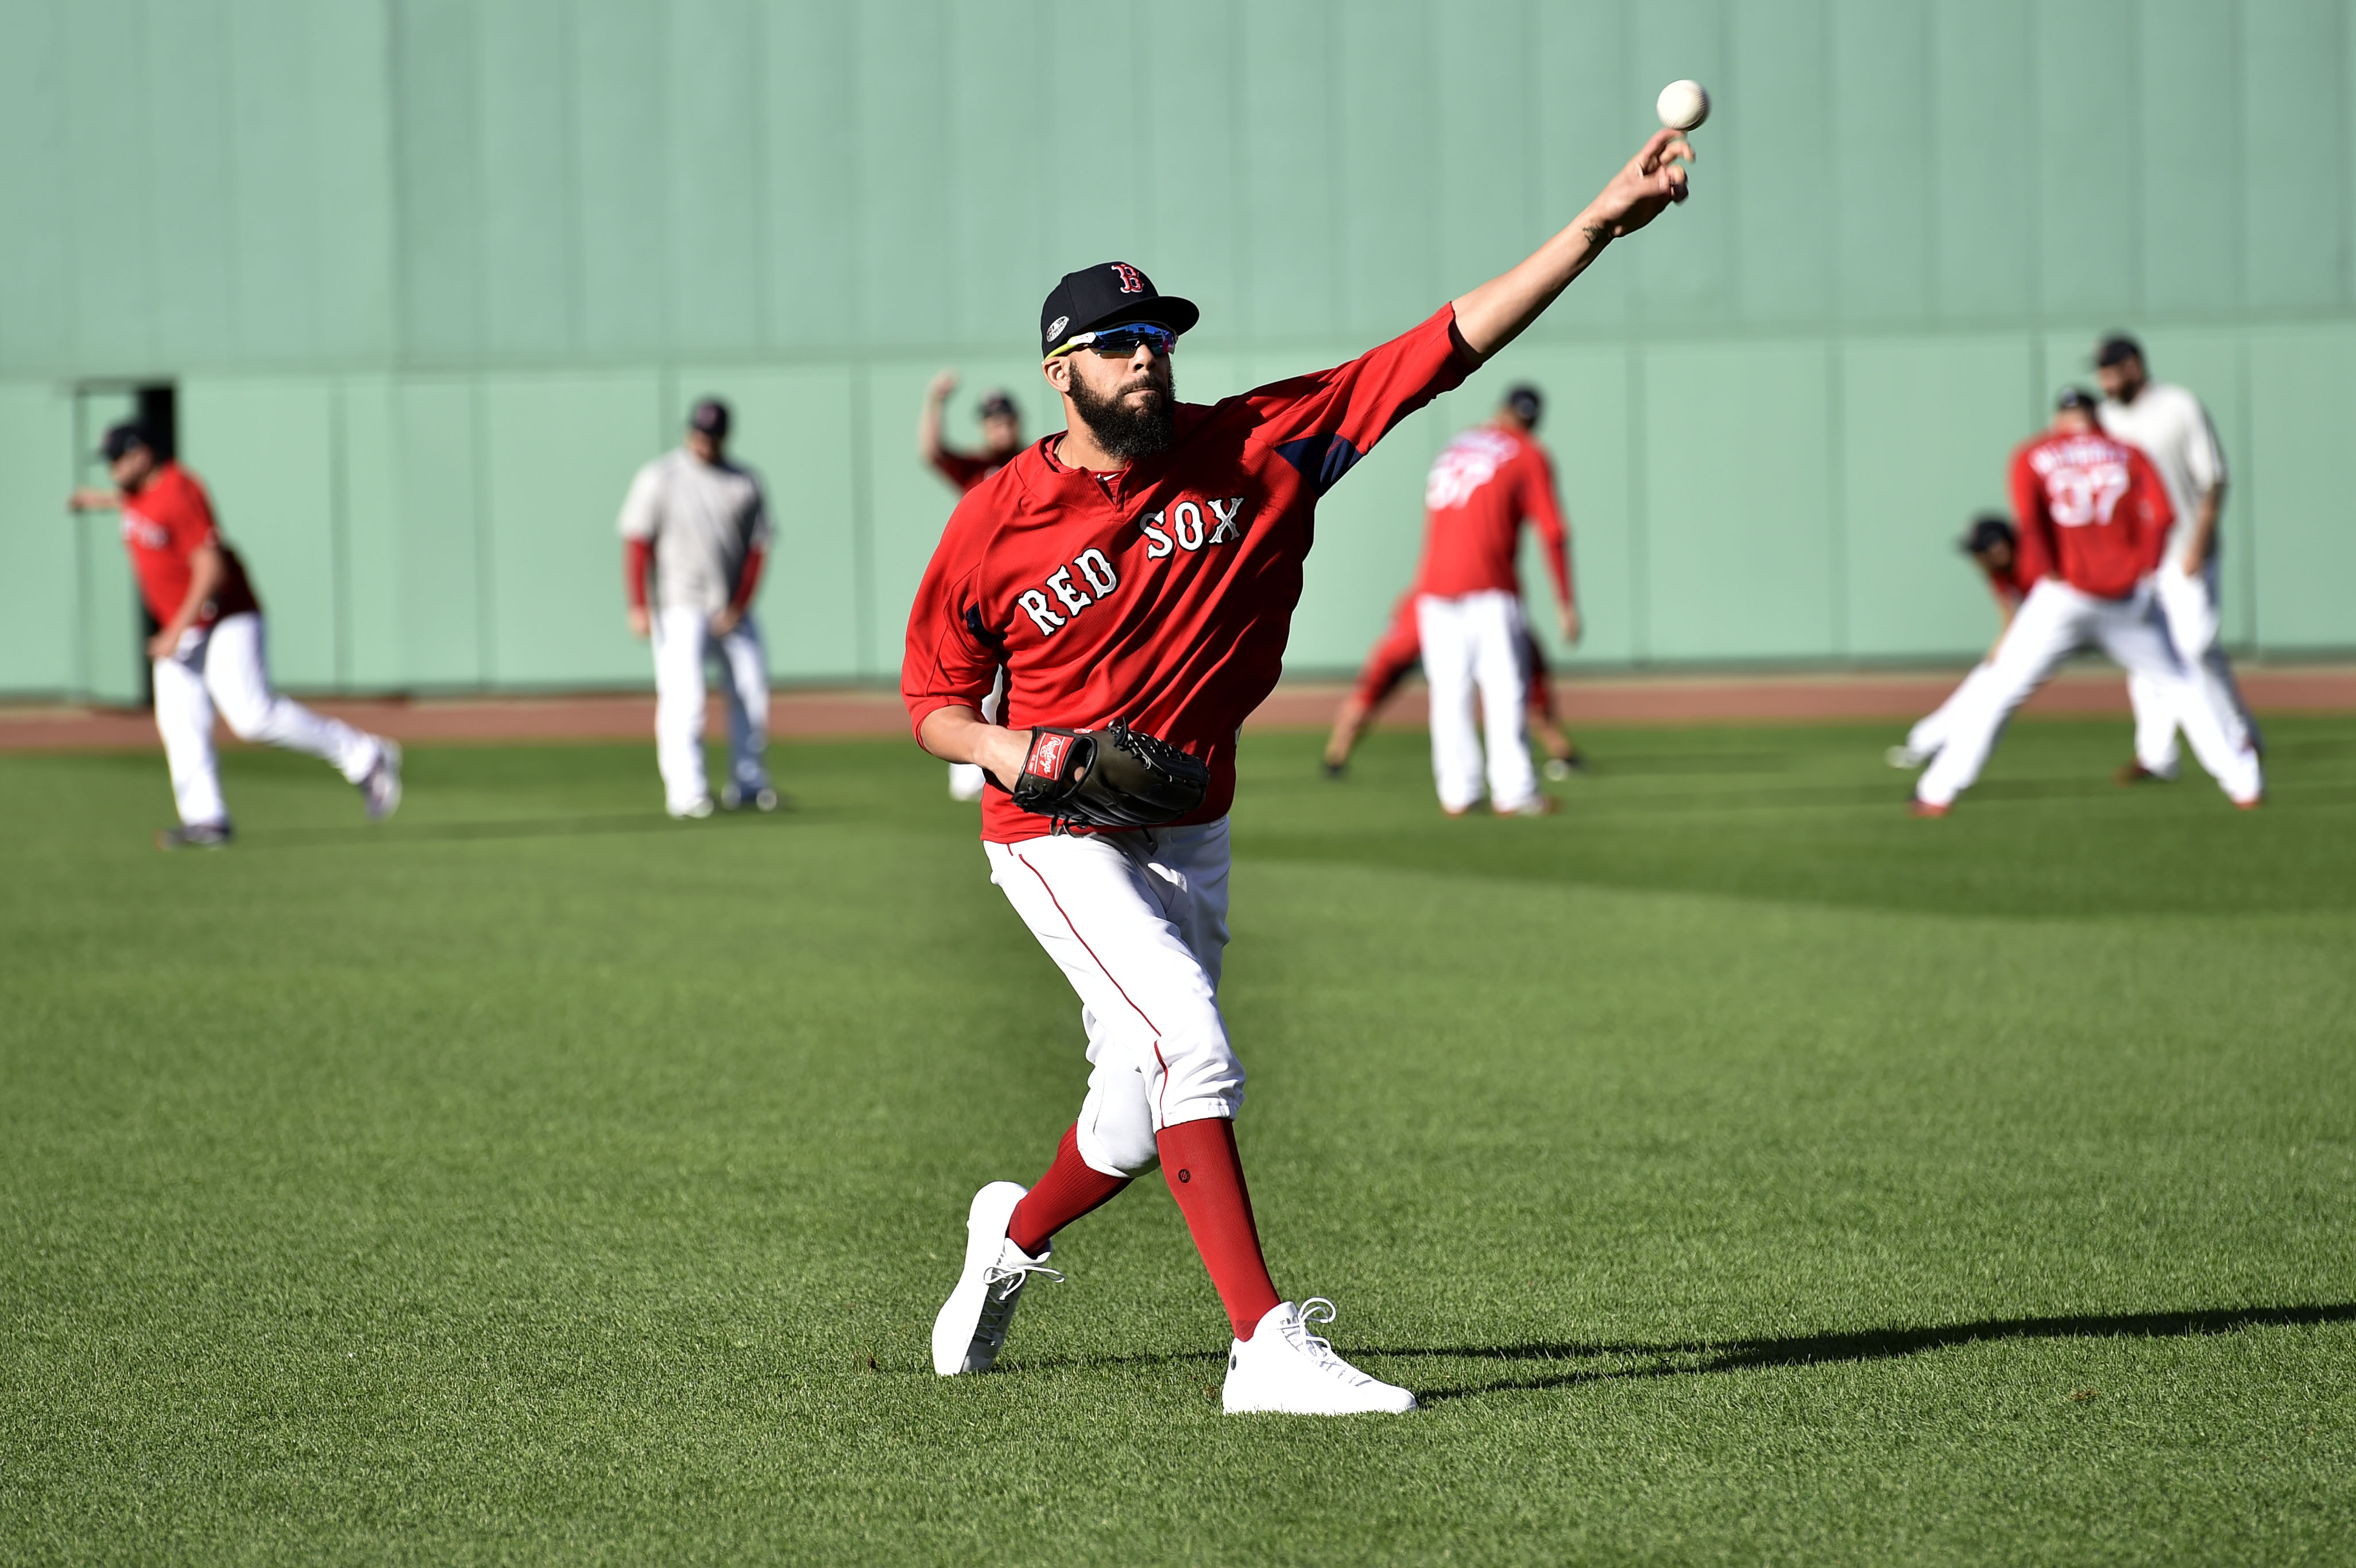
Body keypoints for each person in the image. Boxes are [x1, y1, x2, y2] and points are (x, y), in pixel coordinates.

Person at [904, 129, 1693, 1414]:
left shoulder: (1263, 442)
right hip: (1050, 830)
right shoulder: (991, 521)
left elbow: (1443, 347)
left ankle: (1007, 1239)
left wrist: (1596, 224)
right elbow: (933, 706)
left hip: (1185, 821)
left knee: (1127, 1115)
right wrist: (1018, 748)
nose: (1145, 351)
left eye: (1156, 332)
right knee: (1194, 1052)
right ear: (1059, 371)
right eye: (1117, 339)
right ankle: (1261, 1346)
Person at [1911, 390, 2263, 816]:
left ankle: (1937, 792)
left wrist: (2048, 570)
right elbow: (2163, 516)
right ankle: (2243, 784)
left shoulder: (2031, 454)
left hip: (2064, 594)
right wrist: (2146, 568)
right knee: (2183, 685)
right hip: (2127, 595)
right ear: (2098, 418)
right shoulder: (2128, 453)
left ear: (2060, 419)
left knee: (1999, 690)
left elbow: (2029, 523)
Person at [67, 422, 401, 848]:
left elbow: (211, 568)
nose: (112, 469)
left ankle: (366, 756)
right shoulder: (137, 495)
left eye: (117, 459)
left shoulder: (181, 490)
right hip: (186, 627)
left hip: (226, 618)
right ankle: (206, 819)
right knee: (180, 722)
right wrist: (97, 501)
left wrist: (174, 631)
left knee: (252, 716)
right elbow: (138, 506)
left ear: (143, 455)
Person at [2092, 334, 2260, 787]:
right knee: (2146, 656)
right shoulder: (2105, 419)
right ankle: (2157, 754)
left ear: (2132, 366)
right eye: (2098, 372)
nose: (2103, 379)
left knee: (2194, 648)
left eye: (2109, 369)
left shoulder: (2177, 405)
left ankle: (2237, 737)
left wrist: (2198, 544)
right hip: (2139, 559)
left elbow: (2212, 479)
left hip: (2186, 547)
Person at [1411, 384, 1579, 815]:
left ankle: (1458, 792)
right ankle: (1515, 790)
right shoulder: (1526, 452)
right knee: (1504, 689)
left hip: (1434, 588)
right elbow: (1554, 531)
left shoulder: (1457, 446)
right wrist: (1565, 602)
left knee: (1449, 694)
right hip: (1489, 587)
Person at [619, 398, 776, 819]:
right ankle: (687, 792)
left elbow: (759, 548)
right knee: (684, 699)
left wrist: (739, 605)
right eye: (698, 432)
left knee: (751, 693)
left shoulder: (744, 481)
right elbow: (637, 541)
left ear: (725, 434)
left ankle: (749, 784)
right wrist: (637, 604)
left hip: (729, 606)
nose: (703, 440)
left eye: (711, 433)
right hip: (677, 604)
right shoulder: (661, 477)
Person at [1321, 597, 1584, 780]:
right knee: (1374, 690)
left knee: (1520, 675)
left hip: (1455, 605)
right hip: (1450, 608)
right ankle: (1335, 757)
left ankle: (1562, 753)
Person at [918, 375, 1025, 802]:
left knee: (1010, 683)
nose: (999, 427)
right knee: (972, 677)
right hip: (980, 586)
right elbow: (932, 452)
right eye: (992, 420)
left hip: (1025, 583)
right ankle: (967, 776)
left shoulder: (1035, 460)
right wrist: (934, 400)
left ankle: (1010, 762)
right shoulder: (977, 469)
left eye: (1005, 419)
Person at [1885, 514, 2028, 771]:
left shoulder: (2032, 565)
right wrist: (1999, 649)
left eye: (1979, 551)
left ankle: (1947, 761)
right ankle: (1924, 744)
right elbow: (2009, 614)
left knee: (1992, 703)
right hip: (2029, 640)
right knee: (1982, 681)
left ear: (1999, 548)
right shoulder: (1997, 574)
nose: (1975, 559)